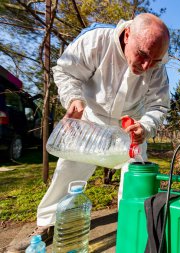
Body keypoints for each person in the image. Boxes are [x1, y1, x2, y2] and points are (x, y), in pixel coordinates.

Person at [9, 13, 170, 251]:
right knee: (68, 172)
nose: (147, 66)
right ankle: (46, 223)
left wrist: (145, 126)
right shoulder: (96, 40)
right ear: (127, 35)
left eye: (154, 61)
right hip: (90, 119)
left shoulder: (157, 63)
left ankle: (133, 226)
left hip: (130, 127)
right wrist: (73, 98)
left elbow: (159, 105)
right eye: (143, 55)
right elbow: (65, 71)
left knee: (136, 178)